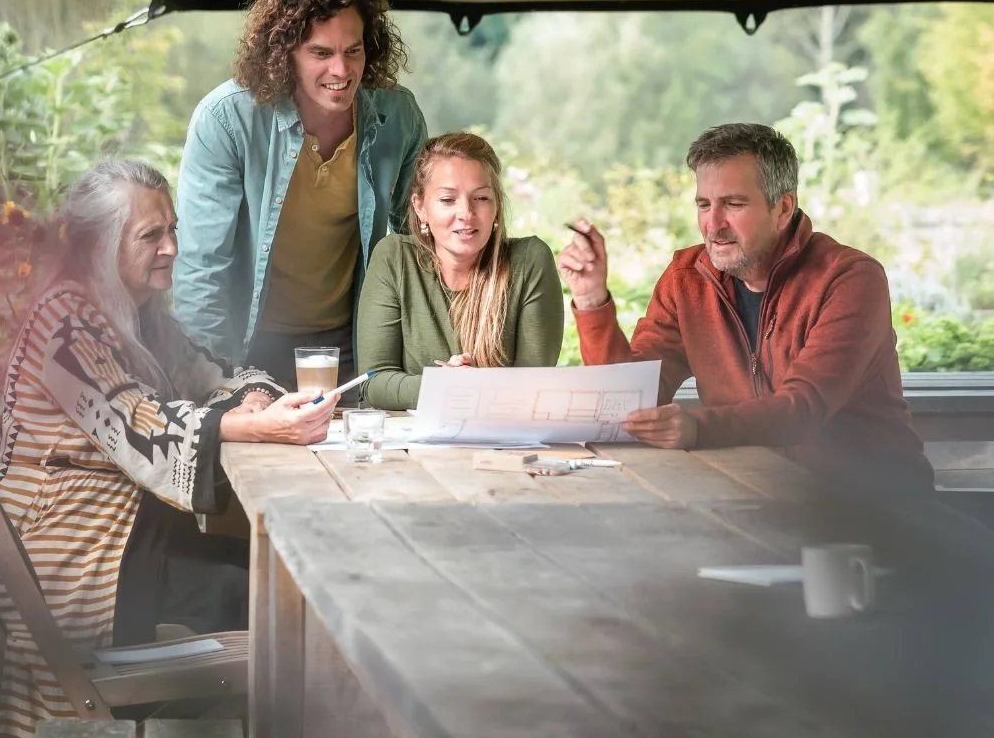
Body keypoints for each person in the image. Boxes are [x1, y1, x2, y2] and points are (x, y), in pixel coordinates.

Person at [0, 157, 336, 738]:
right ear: (99, 244)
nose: (172, 247)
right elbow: (138, 425)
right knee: (268, 593)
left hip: (126, 534)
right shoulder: (65, 318)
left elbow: (209, 372)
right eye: (152, 235)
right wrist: (252, 424)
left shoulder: (137, 315)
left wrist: (259, 398)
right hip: (73, 550)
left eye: (172, 229)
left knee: (273, 577)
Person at [556, 122, 933, 490]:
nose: (713, 224)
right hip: (752, 491)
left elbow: (803, 409)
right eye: (704, 204)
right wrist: (591, 300)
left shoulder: (849, 278)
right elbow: (628, 400)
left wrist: (698, 428)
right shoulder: (686, 277)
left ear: (783, 208)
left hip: (873, 500)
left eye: (733, 204)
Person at [173, 0, 428, 389]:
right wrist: (219, 384)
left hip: (351, 342)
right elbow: (201, 269)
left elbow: (423, 247)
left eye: (353, 50)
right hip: (247, 345)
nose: (341, 71)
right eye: (321, 53)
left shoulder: (397, 115)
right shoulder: (227, 118)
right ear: (285, 53)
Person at [356, 132, 565, 410]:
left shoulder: (529, 261)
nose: (466, 213)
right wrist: (442, 385)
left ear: (497, 206)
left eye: (481, 198)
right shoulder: (394, 258)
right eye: (447, 200)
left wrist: (469, 387)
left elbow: (534, 385)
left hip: (503, 440)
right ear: (420, 208)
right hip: (412, 445)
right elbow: (375, 382)